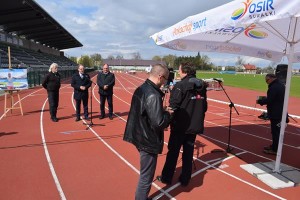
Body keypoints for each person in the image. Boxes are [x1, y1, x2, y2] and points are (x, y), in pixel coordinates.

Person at [123, 64, 173, 200]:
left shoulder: (142, 88)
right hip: (147, 140)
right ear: (160, 77)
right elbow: (158, 123)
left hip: (139, 135)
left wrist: (159, 110)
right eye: (166, 79)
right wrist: (167, 114)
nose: (166, 82)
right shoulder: (153, 94)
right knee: (146, 177)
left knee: (146, 174)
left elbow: (144, 113)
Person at [157, 63, 207, 186]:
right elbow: (204, 106)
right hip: (194, 126)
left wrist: (166, 122)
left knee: (173, 153)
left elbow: (173, 106)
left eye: (179, 70)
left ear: (184, 71)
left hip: (180, 126)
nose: (178, 72)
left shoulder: (180, 85)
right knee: (188, 153)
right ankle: (185, 179)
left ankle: (166, 177)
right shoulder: (202, 85)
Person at [257, 73, 287, 155]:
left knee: (275, 132)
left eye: (267, 80)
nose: (267, 82)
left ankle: (275, 149)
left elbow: (270, 100)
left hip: (276, 112)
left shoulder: (274, 87)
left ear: (271, 78)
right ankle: (274, 146)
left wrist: (260, 101)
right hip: (280, 110)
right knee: (276, 131)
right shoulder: (281, 85)